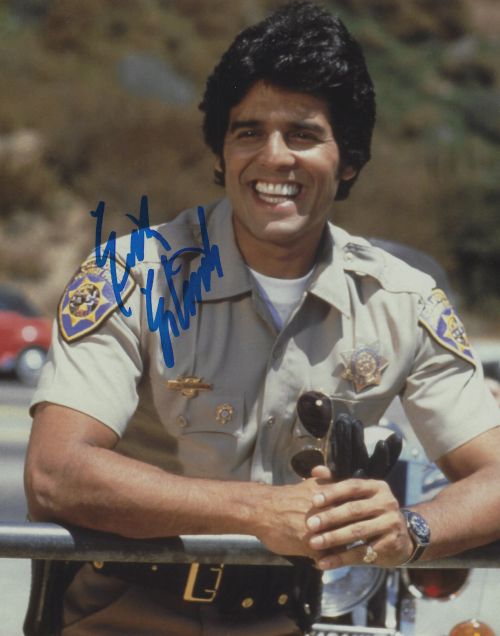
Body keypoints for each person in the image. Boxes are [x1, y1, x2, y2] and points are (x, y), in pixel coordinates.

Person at [24, 1, 500, 635]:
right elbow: (55, 473)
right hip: (119, 614)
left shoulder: (402, 301)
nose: (274, 157)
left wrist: (412, 529)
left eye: (303, 134)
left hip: (286, 616)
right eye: (248, 132)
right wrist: (257, 511)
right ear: (223, 152)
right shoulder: (132, 276)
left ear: (349, 160)